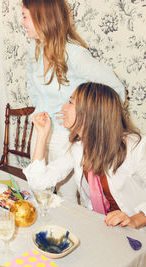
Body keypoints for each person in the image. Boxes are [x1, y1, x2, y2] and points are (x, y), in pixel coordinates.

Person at [21, 0, 125, 203]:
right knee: (38, 192)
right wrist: (39, 112)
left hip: (66, 137)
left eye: (25, 16)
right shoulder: (33, 53)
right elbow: (33, 90)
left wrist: (90, 121)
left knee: (65, 199)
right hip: (40, 132)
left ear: (41, 17)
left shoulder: (75, 55)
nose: (22, 22)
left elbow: (116, 90)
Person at [24, 82, 146, 229]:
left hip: (136, 234)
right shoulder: (79, 148)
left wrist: (135, 220)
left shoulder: (135, 147)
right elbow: (38, 183)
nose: (63, 107)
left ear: (90, 112)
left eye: (70, 102)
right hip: (101, 227)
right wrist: (42, 135)